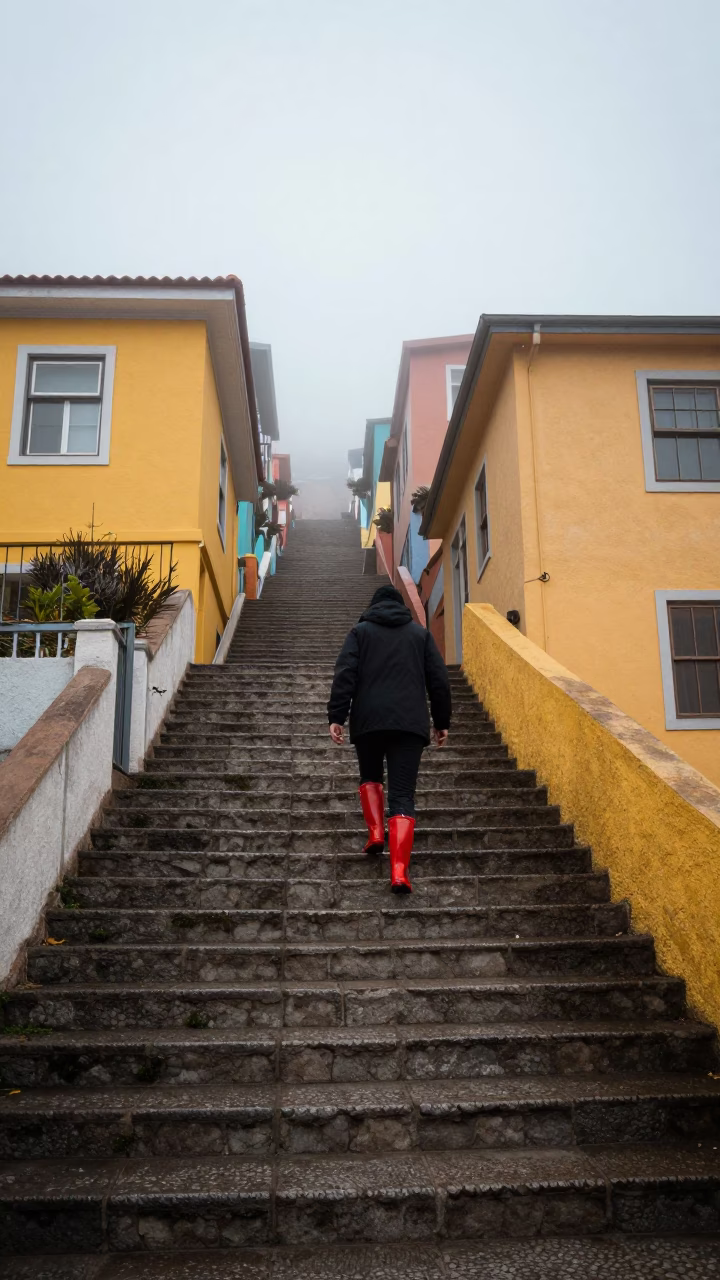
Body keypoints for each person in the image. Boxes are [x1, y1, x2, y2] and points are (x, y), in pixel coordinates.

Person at [327, 584, 452, 893]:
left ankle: (375, 834)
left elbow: (345, 674)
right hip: (409, 725)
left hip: (368, 721)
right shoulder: (419, 635)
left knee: (370, 776)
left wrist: (337, 716)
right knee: (402, 795)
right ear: (401, 607)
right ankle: (398, 872)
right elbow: (438, 679)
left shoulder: (360, 632)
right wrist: (442, 721)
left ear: (373, 606)